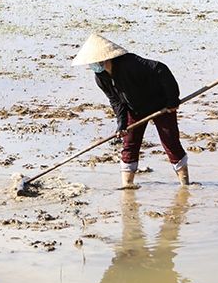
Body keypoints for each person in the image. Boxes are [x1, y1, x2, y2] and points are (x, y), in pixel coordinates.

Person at [72, 33, 189, 188]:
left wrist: (172, 100)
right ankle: (127, 187)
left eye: (93, 62)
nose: (91, 66)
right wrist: (121, 124)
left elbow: (160, 69)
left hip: (161, 105)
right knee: (130, 144)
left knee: (170, 141)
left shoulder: (130, 64)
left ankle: (185, 185)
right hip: (135, 109)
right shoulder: (100, 77)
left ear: (104, 58)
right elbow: (115, 101)